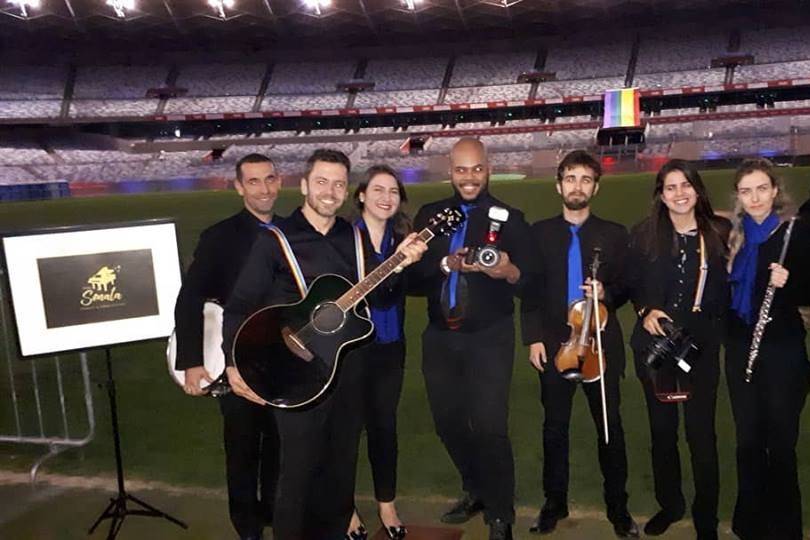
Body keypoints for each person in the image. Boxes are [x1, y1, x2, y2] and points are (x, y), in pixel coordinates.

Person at [222, 149, 426, 540]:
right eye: (321, 182)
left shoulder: (353, 236)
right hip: (295, 375)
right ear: (304, 186)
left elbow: (379, 298)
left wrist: (400, 266)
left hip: (347, 371)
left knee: (339, 475)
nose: (329, 191)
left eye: (337, 183)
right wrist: (233, 364)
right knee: (296, 477)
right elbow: (240, 307)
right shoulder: (275, 240)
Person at [408, 138, 530, 540]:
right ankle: (476, 487)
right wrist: (444, 264)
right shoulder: (430, 215)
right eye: (461, 169)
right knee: (448, 423)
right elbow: (410, 277)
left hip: (489, 337)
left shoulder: (511, 218)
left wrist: (510, 272)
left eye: (476, 168)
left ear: (488, 169)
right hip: (440, 337)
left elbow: (530, 280)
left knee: (491, 427)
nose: (469, 177)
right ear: (450, 171)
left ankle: (501, 513)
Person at [520, 150, 638, 537]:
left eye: (586, 179)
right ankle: (554, 503)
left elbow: (627, 286)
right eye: (570, 178)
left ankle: (618, 508)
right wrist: (533, 337)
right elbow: (531, 291)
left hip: (601, 347)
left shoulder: (614, 234)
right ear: (559, 185)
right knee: (555, 429)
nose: (577, 186)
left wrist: (607, 292)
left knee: (610, 428)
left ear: (596, 187)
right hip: (555, 345)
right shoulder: (540, 233)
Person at [173, 153, 282, 540]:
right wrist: (191, 361)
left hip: (284, 358)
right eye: (253, 181)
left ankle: (273, 509)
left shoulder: (292, 231)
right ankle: (246, 524)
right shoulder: (219, 237)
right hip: (232, 359)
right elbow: (189, 300)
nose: (264, 188)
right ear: (238, 187)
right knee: (242, 446)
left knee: (279, 442)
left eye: (269, 179)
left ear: (279, 181)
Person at [627, 160, 731, 540]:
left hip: (700, 350)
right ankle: (670, 504)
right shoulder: (642, 235)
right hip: (656, 350)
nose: (679, 193)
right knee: (662, 432)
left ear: (698, 189)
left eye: (686, 185)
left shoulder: (720, 231)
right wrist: (644, 310)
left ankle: (706, 518)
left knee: (702, 435)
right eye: (670, 187)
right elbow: (629, 285)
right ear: (660, 194)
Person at [724, 159, 810, 540]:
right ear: (739, 197)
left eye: (762, 189)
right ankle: (751, 522)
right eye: (747, 191)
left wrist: (790, 283)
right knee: (748, 441)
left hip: (783, 352)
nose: (755, 197)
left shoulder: (796, 232)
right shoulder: (735, 236)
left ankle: (785, 526)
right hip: (742, 348)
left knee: (780, 443)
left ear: (775, 191)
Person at [346, 165, 411, 540]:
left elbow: (404, 289)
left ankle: (387, 503)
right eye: (378, 190)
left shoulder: (402, 238)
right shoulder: (344, 237)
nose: (386, 198)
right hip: (353, 351)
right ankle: (346, 508)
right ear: (361, 195)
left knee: (384, 427)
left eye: (393, 192)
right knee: (349, 429)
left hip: (391, 347)